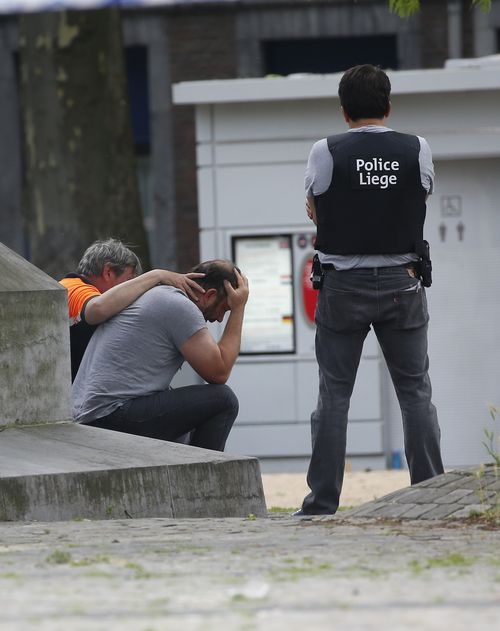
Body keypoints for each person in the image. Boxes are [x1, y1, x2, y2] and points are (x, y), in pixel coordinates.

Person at [295, 64, 444, 516]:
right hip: (404, 281)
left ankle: (322, 503)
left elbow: (315, 209)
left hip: (343, 286)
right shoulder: (417, 148)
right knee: (415, 392)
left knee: (334, 396)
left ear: (344, 112)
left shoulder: (326, 150)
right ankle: (431, 497)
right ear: (389, 106)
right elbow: (418, 200)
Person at [72, 259, 249, 452]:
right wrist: (239, 309)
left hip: (91, 413)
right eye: (224, 308)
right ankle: (205, 478)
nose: (219, 319)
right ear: (210, 295)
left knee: (179, 407)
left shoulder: (159, 296)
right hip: (107, 415)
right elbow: (219, 372)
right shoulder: (180, 306)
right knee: (223, 400)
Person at [59, 238, 204, 381]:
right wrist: (158, 275)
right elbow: (98, 309)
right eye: (129, 281)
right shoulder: (73, 288)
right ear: (108, 272)